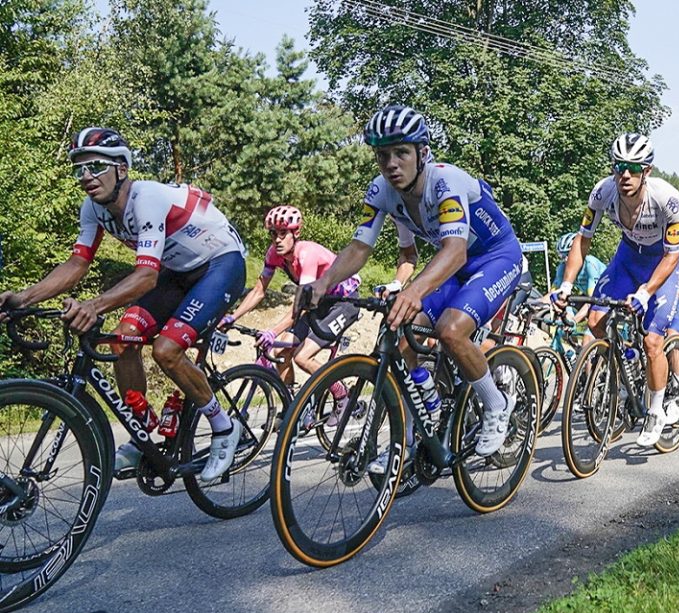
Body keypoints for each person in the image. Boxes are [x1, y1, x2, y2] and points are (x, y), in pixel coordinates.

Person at [0, 127, 248, 482]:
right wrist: (23, 297)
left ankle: (224, 427)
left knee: (166, 351)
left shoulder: (145, 197)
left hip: (220, 265)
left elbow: (146, 277)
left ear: (121, 168)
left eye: (96, 166)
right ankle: (143, 430)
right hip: (176, 270)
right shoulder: (93, 208)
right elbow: (76, 264)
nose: (86, 177)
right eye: (80, 169)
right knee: (121, 340)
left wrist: (94, 305)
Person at [305, 105, 524, 471]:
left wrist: (413, 290)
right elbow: (360, 247)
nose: (391, 163)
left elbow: (454, 251)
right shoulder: (381, 190)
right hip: (453, 262)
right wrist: (323, 282)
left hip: (495, 257)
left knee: (451, 331)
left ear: (422, 153)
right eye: (382, 155)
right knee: (401, 333)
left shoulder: (445, 181)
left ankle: (495, 404)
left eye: (401, 153)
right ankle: (408, 437)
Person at [554, 133, 679, 446]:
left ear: (646, 171)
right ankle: (620, 372)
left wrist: (646, 292)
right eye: (619, 166)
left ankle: (655, 410)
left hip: (662, 263)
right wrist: (566, 284)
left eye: (633, 168)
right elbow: (583, 241)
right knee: (595, 321)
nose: (625, 174)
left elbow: (673, 255)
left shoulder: (667, 199)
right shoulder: (602, 193)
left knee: (653, 340)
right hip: (626, 257)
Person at [219, 206, 361, 423]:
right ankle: (293, 404)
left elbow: (300, 304)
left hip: (344, 302)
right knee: (282, 350)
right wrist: (232, 317)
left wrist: (272, 331)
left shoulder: (307, 254)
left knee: (302, 356)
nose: (277, 239)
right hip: (319, 303)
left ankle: (342, 395)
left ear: (296, 233)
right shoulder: (274, 255)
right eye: (273, 233)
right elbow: (259, 290)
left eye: (283, 233)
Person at [547, 231, 607, 342]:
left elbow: (592, 301)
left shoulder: (590, 264)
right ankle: (574, 355)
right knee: (563, 326)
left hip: (604, 295)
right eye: (562, 256)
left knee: (587, 339)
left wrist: (574, 320)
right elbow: (553, 293)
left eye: (567, 255)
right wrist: (534, 305)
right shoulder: (562, 267)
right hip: (587, 297)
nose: (565, 260)